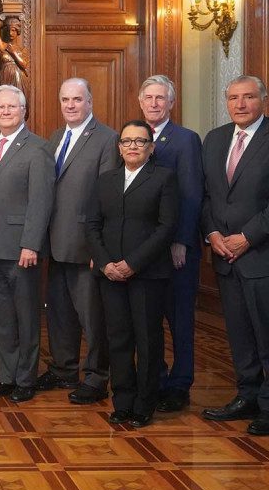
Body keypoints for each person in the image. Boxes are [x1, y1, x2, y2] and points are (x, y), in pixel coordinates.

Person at [86, 119, 178, 428]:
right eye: (127, 141)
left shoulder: (164, 178)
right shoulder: (105, 180)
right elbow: (92, 225)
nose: (133, 146)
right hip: (110, 274)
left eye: (140, 142)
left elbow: (166, 228)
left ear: (151, 148)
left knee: (148, 339)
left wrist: (133, 263)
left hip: (147, 274)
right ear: (119, 147)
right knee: (118, 338)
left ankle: (144, 402)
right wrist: (105, 263)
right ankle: (122, 400)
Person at [38, 78, 118, 404]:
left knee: (92, 316)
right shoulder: (57, 137)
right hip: (55, 242)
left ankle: (96, 377)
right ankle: (63, 368)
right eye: (65, 99)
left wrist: (99, 249)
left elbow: (108, 197)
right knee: (59, 313)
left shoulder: (106, 138)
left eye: (77, 99)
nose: (70, 105)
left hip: (86, 245)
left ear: (90, 102)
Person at [200, 75, 269, 436]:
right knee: (240, 334)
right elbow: (207, 196)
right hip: (224, 257)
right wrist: (212, 234)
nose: (240, 105)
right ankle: (247, 396)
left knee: (266, 334)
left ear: (263, 99)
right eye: (233, 98)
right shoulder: (214, 140)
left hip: (261, 256)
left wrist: (247, 236)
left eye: (248, 97)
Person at [0, 85, 53, 403]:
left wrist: (31, 244)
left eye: (12, 106)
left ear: (24, 110)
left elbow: (41, 201)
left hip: (21, 249)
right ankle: (7, 377)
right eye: (0, 108)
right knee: (2, 319)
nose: (6, 112)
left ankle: (26, 379)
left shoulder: (38, 148)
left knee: (26, 317)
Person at [138, 75, 204, 413]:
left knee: (179, 320)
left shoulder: (185, 140)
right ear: (140, 102)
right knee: (149, 320)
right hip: (144, 249)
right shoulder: (132, 137)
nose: (154, 103)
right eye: (148, 97)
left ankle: (180, 384)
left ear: (171, 103)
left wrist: (181, 241)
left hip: (175, 250)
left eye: (160, 98)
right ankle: (157, 380)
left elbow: (192, 195)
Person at [0, 16, 30, 105]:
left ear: (17, 31)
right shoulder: (2, 46)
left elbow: (24, 65)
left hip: (19, 78)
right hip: (6, 77)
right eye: (8, 30)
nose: (10, 33)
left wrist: (13, 52)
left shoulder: (22, 49)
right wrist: (5, 23)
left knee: (19, 102)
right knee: (7, 102)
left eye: (13, 30)